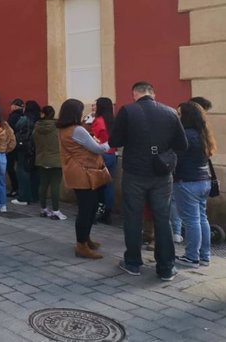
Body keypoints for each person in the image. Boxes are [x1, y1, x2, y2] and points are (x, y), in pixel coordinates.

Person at [110, 81, 188, 281]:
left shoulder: (127, 111)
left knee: (133, 217)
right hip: (162, 174)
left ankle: (133, 263)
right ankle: (166, 267)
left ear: (134, 94)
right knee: (163, 219)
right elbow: (182, 144)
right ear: (153, 93)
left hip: (135, 172)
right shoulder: (171, 112)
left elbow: (114, 141)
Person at [57, 99, 111, 259]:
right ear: (75, 112)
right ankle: (81, 245)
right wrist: (110, 143)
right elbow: (98, 148)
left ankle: (85, 239)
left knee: (89, 207)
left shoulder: (63, 129)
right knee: (87, 209)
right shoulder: (77, 130)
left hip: (77, 172)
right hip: (84, 173)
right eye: (81, 110)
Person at [173, 101, 216, 268]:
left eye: (179, 114)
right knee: (201, 218)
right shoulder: (202, 133)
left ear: (186, 116)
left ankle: (192, 257)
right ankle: (205, 256)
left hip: (187, 182)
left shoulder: (185, 134)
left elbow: (177, 158)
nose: (178, 117)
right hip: (203, 181)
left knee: (191, 220)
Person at [33, 105, 65, 220]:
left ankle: (43, 209)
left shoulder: (36, 127)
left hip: (41, 158)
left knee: (43, 184)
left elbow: (34, 141)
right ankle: (56, 210)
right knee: (55, 184)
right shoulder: (57, 128)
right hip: (56, 159)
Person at [91, 97, 117, 225]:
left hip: (101, 155)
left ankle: (97, 211)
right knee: (109, 185)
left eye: (95, 105)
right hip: (112, 154)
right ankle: (108, 213)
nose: (92, 107)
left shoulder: (98, 121)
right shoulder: (112, 120)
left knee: (98, 185)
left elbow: (94, 139)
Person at [12, 100, 40, 205]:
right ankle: (34, 196)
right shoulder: (39, 120)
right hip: (36, 149)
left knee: (22, 171)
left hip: (24, 148)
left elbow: (17, 128)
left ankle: (23, 197)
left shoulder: (24, 119)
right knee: (35, 173)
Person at [6, 99, 23, 197]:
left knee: (10, 167)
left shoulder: (13, 117)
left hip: (13, 144)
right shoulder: (24, 116)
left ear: (15, 106)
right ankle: (20, 188)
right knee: (20, 167)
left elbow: (9, 130)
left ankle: (15, 188)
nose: (11, 107)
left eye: (11, 105)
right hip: (22, 145)